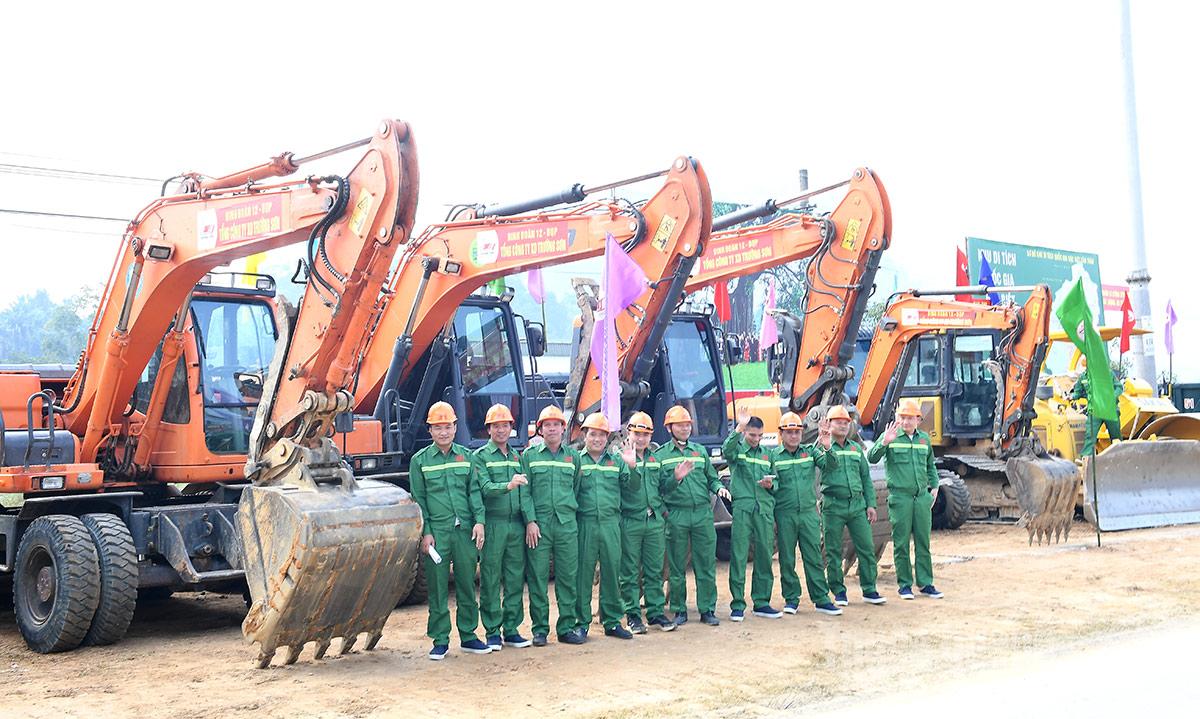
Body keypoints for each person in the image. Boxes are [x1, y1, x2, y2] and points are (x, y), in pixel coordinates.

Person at [409, 401, 492, 661]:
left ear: (455, 428)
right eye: (438, 427)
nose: (443, 432)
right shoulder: (420, 461)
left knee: (467, 584)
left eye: (447, 427)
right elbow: (419, 500)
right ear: (430, 430)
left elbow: (474, 492)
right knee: (437, 588)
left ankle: (468, 636)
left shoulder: (467, 457)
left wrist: (479, 521)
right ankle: (440, 640)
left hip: (464, 531)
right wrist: (426, 532)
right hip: (437, 533)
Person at [655, 405, 732, 627]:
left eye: (688, 424)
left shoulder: (699, 451)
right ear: (669, 428)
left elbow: (711, 477)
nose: (685, 428)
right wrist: (676, 478)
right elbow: (659, 488)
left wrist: (719, 488)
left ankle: (707, 609)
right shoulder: (661, 456)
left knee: (705, 563)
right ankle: (679, 610)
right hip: (677, 514)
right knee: (677, 566)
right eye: (680, 425)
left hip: (702, 514)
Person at [472, 404, 537, 651]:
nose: (501, 430)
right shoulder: (480, 457)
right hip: (494, 524)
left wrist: (529, 521)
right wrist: (508, 485)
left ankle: (511, 630)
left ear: (511, 428)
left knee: (514, 578)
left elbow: (525, 493)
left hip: (516, 526)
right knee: (490, 578)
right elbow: (484, 488)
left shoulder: (517, 457)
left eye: (505, 425)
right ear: (488, 429)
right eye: (496, 426)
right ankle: (492, 631)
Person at [522, 406, 587, 647]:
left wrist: (568, 513)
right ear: (540, 429)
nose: (552, 429)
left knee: (567, 577)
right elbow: (524, 492)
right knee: (538, 578)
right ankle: (540, 630)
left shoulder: (573, 457)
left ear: (563, 428)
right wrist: (530, 521)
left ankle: (566, 627)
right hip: (538, 527)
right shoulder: (529, 456)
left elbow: (576, 488)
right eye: (547, 425)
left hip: (566, 525)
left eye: (556, 424)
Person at [867, 399, 943, 600]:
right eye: (902, 417)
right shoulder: (890, 436)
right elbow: (872, 457)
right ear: (897, 418)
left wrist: (935, 486)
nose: (906, 421)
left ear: (918, 420)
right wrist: (884, 442)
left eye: (910, 418)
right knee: (901, 543)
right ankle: (904, 585)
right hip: (900, 498)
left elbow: (930, 465)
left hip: (921, 498)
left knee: (923, 542)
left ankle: (925, 583)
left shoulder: (924, 440)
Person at [575, 412, 640, 640]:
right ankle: (581, 622)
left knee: (612, 571)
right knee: (583, 574)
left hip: (611, 523)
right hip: (585, 524)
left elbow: (633, 488)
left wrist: (632, 467)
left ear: (607, 438)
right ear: (584, 435)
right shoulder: (576, 461)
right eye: (593, 434)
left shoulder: (617, 461)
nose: (597, 439)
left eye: (602, 435)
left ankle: (612, 621)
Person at [771, 412, 843, 616]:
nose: (794, 436)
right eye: (789, 432)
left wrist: (827, 446)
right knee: (787, 558)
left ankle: (821, 599)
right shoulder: (774, 456)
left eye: (797, 432)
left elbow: (831, 466)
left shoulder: (810, 452)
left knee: (814, 557)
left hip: (809, 514)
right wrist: (771, 486)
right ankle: (791, 599)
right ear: (781, 434)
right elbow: (773, 483)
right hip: (784, 514)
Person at [820, 405, 887, 607]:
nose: (843, 426)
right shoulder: (821, 447)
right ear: (828, 424)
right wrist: (826, 446)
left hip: (857, 505)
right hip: (833, 505)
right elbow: (824, 467)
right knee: (833, 550)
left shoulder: (856, 449)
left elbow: (865, 478)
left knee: (866, 547)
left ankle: (869, 589)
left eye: (846, 423)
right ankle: (838, 591)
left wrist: (871, 504)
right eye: (838, 422)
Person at [619, 412, 676, 633]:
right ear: (629, 433)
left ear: (651, 436)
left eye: (645, 435)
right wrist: (631, 466)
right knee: (630, 571)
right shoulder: (620, 458)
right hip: (630, 520)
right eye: (637, 434)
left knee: (654, 570)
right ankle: (633, 614)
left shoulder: (655, 459)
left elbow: (663, 488)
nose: (641, 439)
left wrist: (676, 478)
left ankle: (655, 612)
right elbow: (628, 487)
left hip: (653, 521)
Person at [723, 406, 781, 621]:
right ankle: (737, 604)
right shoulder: (737, 451)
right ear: (745, 433)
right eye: (752, 435)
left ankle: (762, 602)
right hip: (743, 508)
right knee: (739, 555)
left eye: (759, 436)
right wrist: (739, 427)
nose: (756, 439)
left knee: (765, 554)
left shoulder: (768, 454)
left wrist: (771, 485)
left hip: (763, 509)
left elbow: (777, 482)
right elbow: (726, 449)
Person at [1070, 360, 1124, 457]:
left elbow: (1119, 387)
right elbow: (1078, 392)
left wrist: (1111, 397)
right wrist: (1071, 396)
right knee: (1090, 435)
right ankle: (1087, 458)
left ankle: (1120, 456)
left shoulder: (1108, 374)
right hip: (1095, 410)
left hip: (1110, 409)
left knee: (1116, 436)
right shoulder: (1083, 377)